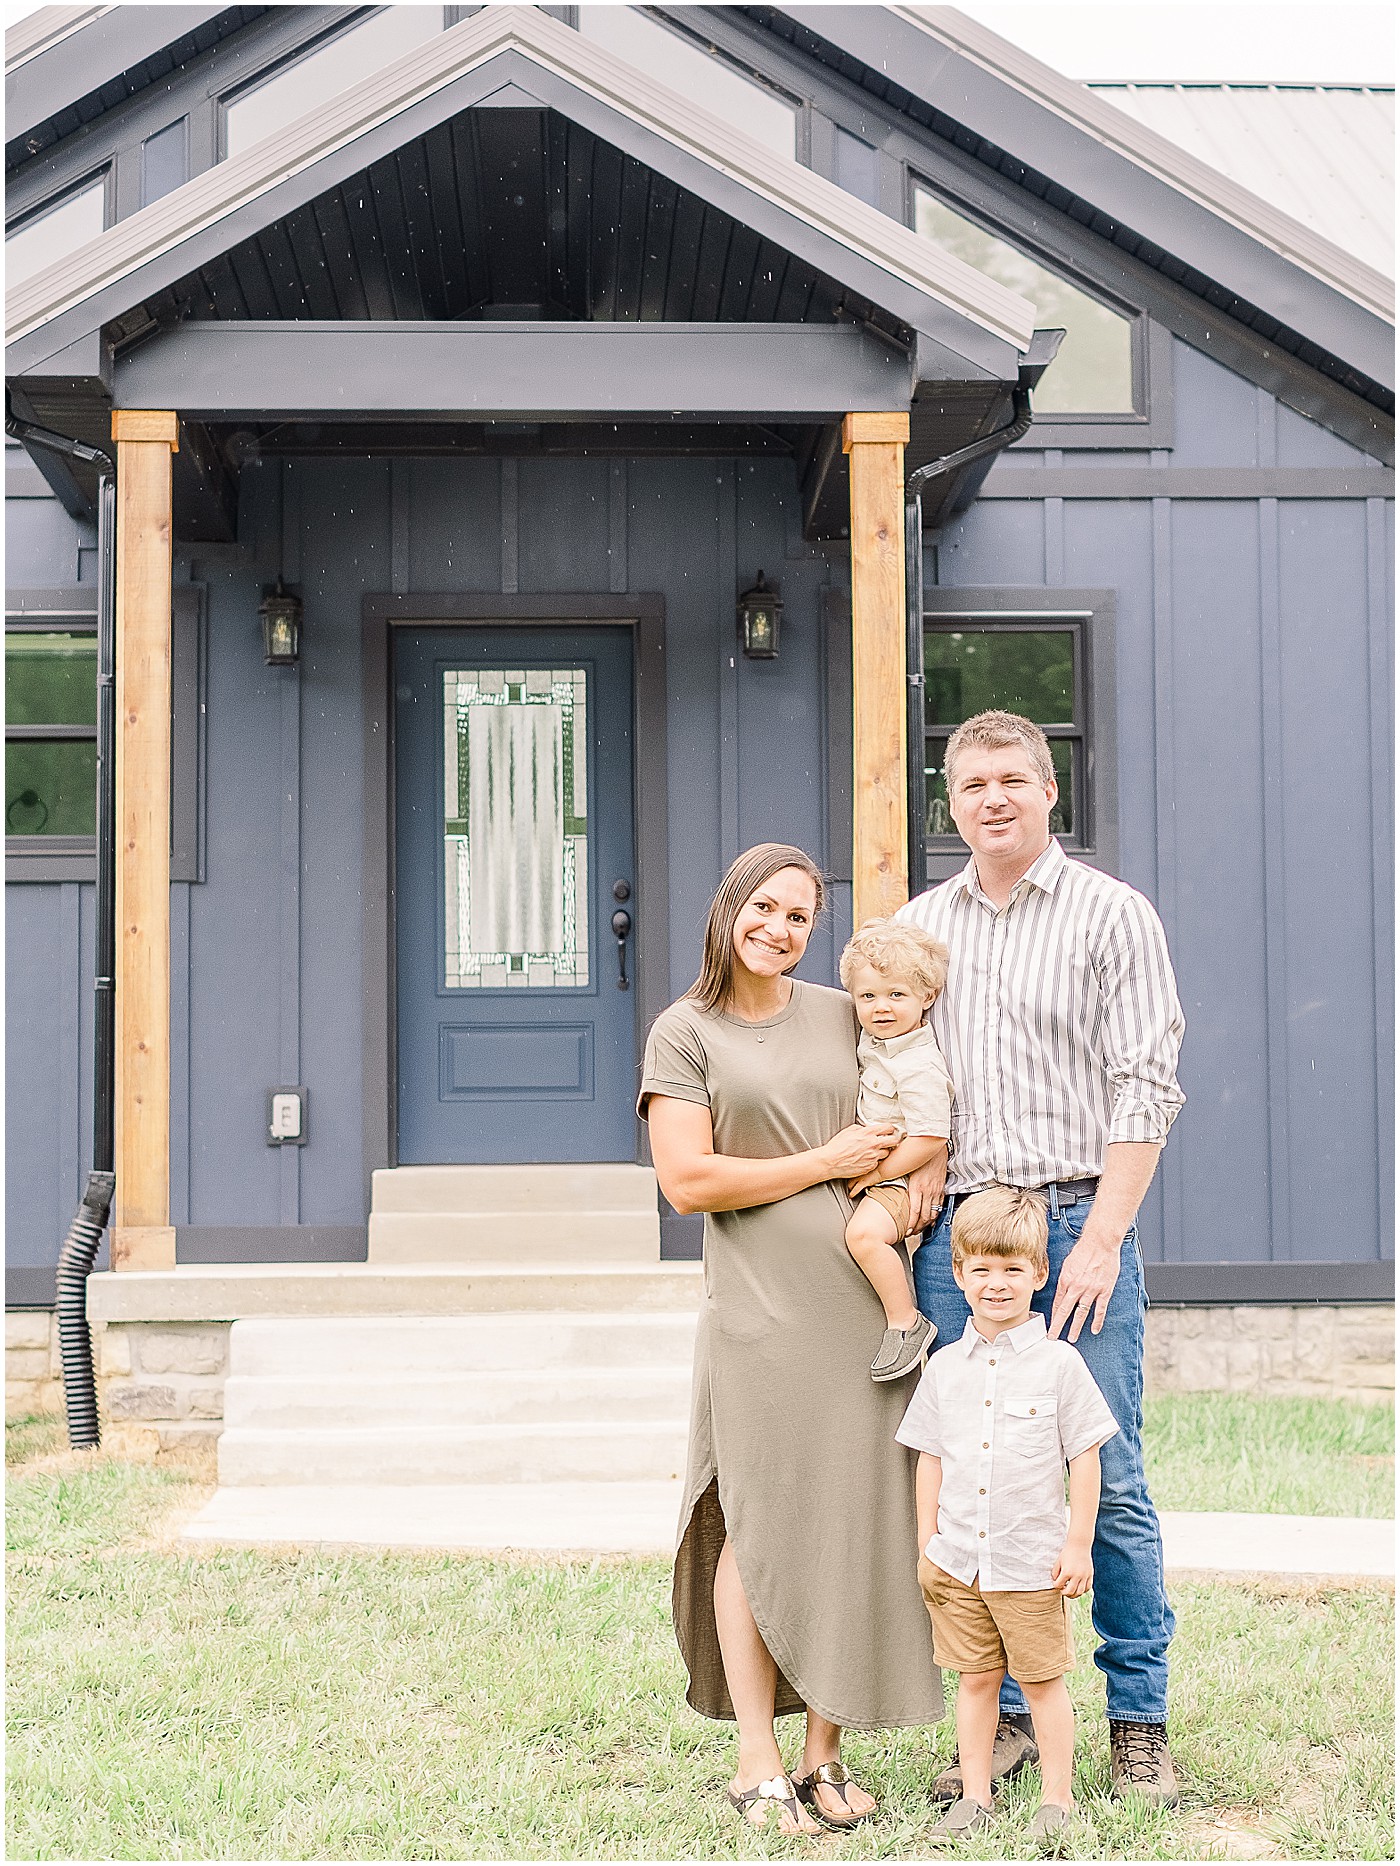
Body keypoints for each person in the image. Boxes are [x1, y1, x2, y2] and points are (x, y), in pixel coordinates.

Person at [897, 708, 1186, 1805]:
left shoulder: (1111, 916)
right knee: (978, 1473)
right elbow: (901, 1072)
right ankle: (1007, 1719)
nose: (991, 799)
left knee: (1101, 1480)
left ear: (1048, 787)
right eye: (970, 785)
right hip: (959, 1234)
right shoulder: (923, 928)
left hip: (1071, 1223)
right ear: (950, 801)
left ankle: (1137, 1723)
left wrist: (1102, 1238)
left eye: (1011, 779)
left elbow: (1143, 1085)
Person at [641, 843, 944, 1837]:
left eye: (800, 917)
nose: (779, 929)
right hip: (761, 1312)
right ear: (728, 909)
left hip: (859, 1303)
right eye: (764, 909)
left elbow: (911, 1112)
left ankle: (823, 1752)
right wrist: (822, 1161)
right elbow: (687, 1183)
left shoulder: (838, 1008)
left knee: (850, 1520)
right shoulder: (683, 1033)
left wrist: (910, 1192)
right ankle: (755, 1756)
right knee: (755, 1518)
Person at [896, 1186, 1119, 1843]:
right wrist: (926, 1546)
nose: (997, 1284)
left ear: (1040, 1275)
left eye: (1013, 1269)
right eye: (982, 1269)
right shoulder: (942, 1369)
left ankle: (1056, 1799)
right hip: (959, 1560)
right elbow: (929, 1459)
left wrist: (1077, 1546)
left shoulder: (1060, 1366)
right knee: (976, 1681)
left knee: (1044, 1684)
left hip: (1029, 1564)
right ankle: (976, 1797)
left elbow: (1085, 1460)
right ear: (959, 1273)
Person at [837, 918, 953, 1380]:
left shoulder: (918, 1062)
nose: (880, 1007)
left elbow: (930, 1136)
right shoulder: (878, 1041)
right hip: (885, 1170)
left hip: (902, 1177)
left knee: (863, 1237)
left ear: (926, 998)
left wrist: (876, 1175)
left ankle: (906, 1323)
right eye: (868, 997)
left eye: (896, 995)